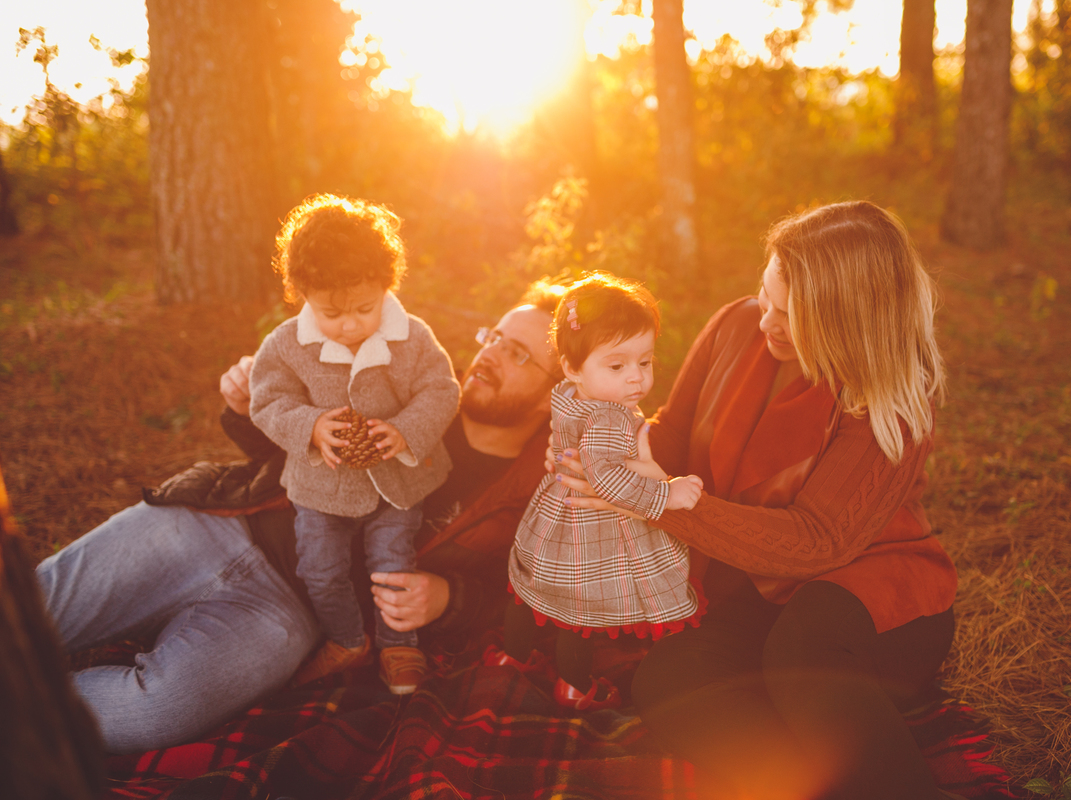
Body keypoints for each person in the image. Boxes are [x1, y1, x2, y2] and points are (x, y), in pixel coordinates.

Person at [36, 279, 565, 754]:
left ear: (554, 396)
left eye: (517, 352)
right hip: (223, 522)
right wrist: (249, 405)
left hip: (287, 615)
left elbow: (520, 597)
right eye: (493, 337)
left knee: (155, 710)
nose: (490, 354)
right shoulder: (412, 382)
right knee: (29, 606)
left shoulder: (536, 494)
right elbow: (276, 445)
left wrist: (450, 598)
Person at [557, 202, 958, 799]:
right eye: (765, 294)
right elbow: (670, 434)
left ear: (845, 319)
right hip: (748, 584)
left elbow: (816, 543)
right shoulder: (736, 325)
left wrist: (659, 502)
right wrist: (600, 453)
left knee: (801, 652)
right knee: (672, 680)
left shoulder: (887, 401)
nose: (764, 318)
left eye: (788, 314)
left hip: (867, 592)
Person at [248, 195, 459, 693]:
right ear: (302, 293)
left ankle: (399, 644)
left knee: (392, 562)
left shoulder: (411, 336)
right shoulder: (284, 345)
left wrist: (406, 428)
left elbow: (441, 389)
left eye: (365, 309)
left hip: (397, 479)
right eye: (332, 313)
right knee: (318, 569)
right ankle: (347, 639)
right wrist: (311, 427)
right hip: (321, 487)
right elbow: (268, 400)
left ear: (387, 286)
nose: (349, 325)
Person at [502, 273, 704, 710]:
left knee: (530, 588)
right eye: (617, 366)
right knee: (580, 611)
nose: (636, 378)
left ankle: (511, 655)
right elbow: (607, 479)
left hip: (556, 513)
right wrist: (666, 494)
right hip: (592, 530)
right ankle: (574, 686)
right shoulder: (611, 417)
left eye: (645, 362)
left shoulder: (569, 393)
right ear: (573, 366)